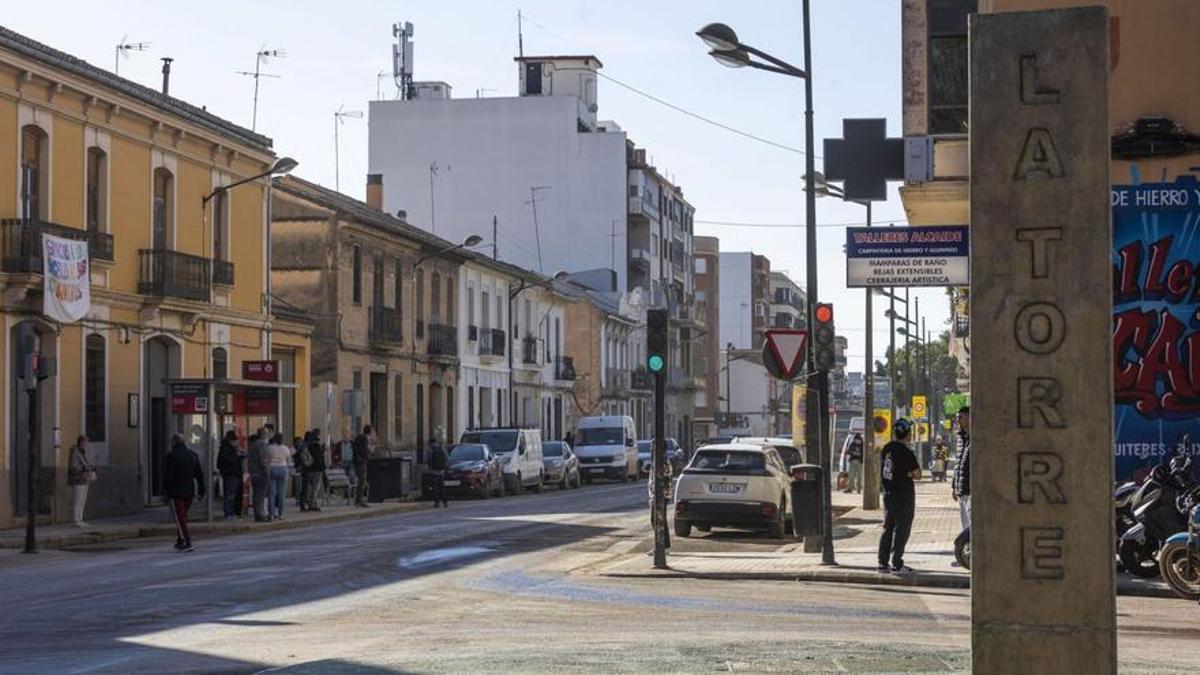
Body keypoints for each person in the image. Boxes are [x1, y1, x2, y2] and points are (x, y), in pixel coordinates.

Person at [878, 418, 921, 574]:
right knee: (902, 529)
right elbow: (918, 474)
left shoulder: (886, 449)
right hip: (904, 495)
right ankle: (897, 563)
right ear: (907, 434)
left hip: (888, 494)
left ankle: (882, 563)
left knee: (888, 528)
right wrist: (908, 473)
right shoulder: (906, 452)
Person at [163, 434, 205, 552]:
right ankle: (180, 540)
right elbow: (199, 474)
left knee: (180, 518)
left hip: (176, 492)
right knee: (182, 516)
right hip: (189, 492)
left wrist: (166, 491)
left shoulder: (172, 456)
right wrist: (202, 489)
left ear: (174, 443)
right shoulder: (192, 455)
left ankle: (187, 541)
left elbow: (168, 476)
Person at [67, 435, 95, 528]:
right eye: (85, 442)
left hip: (84, 479)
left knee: (83, 500)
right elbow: (73, 467)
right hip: (77, 479)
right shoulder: (75, 451)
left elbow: (86, 462)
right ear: (81, 442)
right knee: (77, 500)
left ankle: (80, 518)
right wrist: (85, 468)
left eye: (87, 442)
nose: (87, 444)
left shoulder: (83, 452)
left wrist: (90, 468)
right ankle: (75, 520)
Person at [952, 406, 972, 531]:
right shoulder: (960, 438)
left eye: (961, 417)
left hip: (970, 491)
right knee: (965, 527)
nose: (958, 420)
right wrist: (954, 486)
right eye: (957, 418)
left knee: (971, 526)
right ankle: (968, 549)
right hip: (961, 490)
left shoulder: (975, 436)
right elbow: (958, 464)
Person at [216, 430, 243, 520]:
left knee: (231, 494)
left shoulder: (226, 448)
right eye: (236, 441)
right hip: (231, 474)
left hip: (231, 473)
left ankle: (230, 513)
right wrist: (238, 456)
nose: (237, 443)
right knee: (230, 495)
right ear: (232, 441)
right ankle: (229, 513)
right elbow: (229, 460)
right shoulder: (227, 449)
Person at [265, 433, 293, 520]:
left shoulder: (270, 448)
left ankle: (271, 514)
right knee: (281, 493)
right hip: (283, 469)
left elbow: (266, 459)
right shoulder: (286, 448)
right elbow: (289, 460)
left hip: (272, 468)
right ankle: (280, 514)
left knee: (272, 493)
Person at [247, 428, 270, 522]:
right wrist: (266, 471)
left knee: (256, 494)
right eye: (267, 433)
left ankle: (257, 513)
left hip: (253, 472)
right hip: (260, 473)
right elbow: (263, 459)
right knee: (261, 494)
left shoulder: (252, 445)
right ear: (264, 434)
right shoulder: (261, 444)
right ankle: (260, 514)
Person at [301, 430, 326, 512]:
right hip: (316, 469)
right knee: (315, 488)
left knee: (308, 488)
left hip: (308, 468)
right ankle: (312, 504)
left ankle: (307, 503)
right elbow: (318, 458)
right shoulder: (316, 445)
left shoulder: (307, 444)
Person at [352, 425, 373, 507]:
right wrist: (368, 452)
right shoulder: (364, 439)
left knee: (361, 481)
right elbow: (364, 451)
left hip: (358, 462)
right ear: (369, 432)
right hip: (361, 462)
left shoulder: (359, 438)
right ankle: (359, 500)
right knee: (362, 481)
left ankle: (358, 500)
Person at [428, 439, 449, 508]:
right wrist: (444, 467)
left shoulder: (430, 450)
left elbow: (426, 460)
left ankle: (437, 502)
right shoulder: (442, 448)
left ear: (430, 443)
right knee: (442, 487)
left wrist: (429, 467)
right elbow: (446, 459)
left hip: (433, 471)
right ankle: (445, 502)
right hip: (441, 471)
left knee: (435, 488)